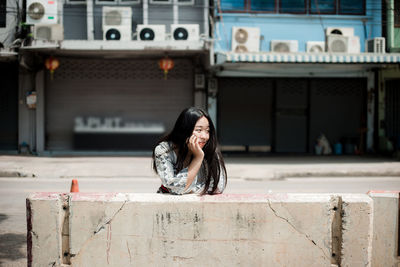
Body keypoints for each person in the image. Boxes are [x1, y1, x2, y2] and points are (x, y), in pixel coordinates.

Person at [152, 107, 227, 195]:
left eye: (208, 131)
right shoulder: (164, 150)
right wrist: (198, 158)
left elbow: (217, 187)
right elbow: (175, 188)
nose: (204, 136)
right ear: (184, 130)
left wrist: (185, 188)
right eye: (198, 130)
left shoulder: (210, 149)